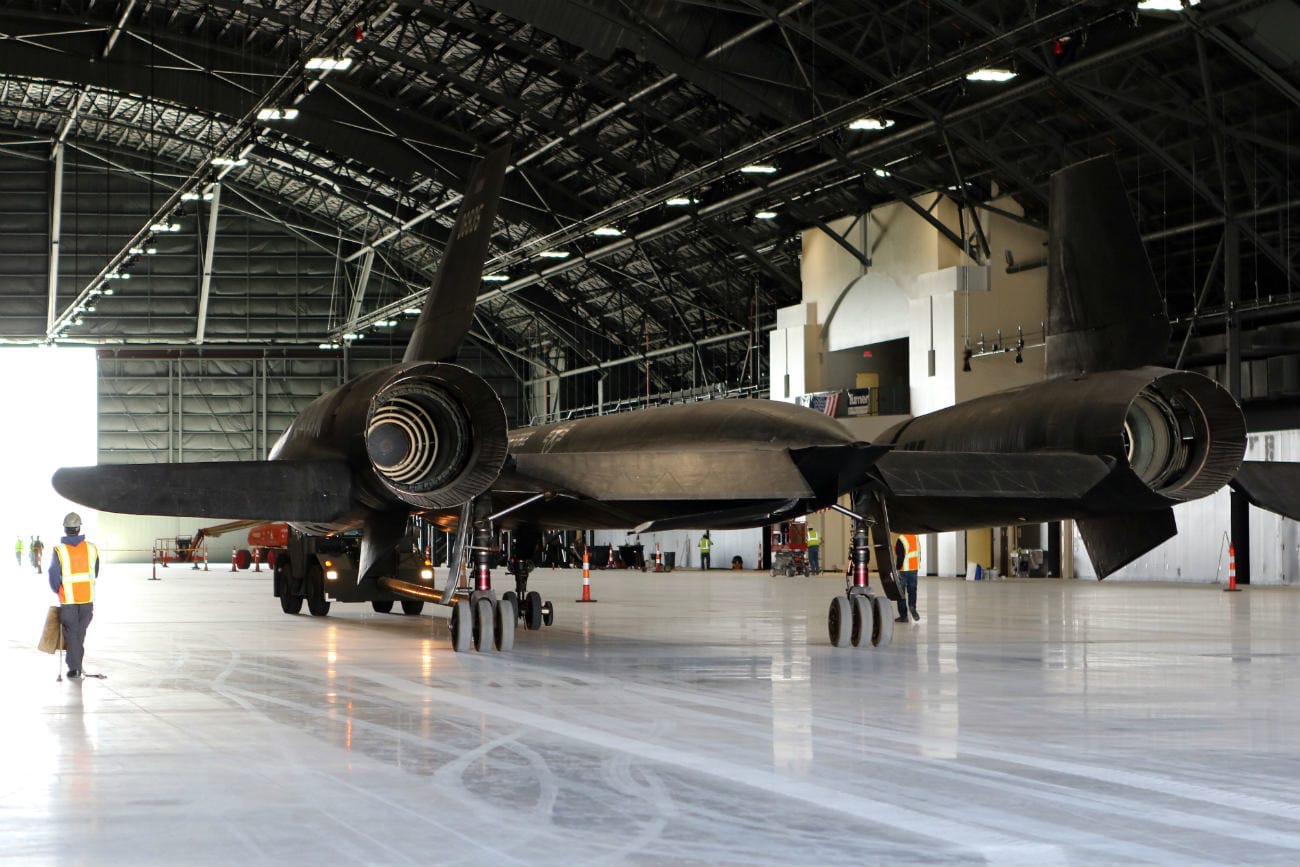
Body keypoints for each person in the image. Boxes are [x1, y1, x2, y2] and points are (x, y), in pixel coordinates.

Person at [48, 512, 100, 679]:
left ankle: (75, 668)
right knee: (79, 635)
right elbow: (95, 572)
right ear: (79, 529)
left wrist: (59, 590)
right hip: (87, 600)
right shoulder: (91, 548)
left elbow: (53, 575)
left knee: (72, 634)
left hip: (69, 601)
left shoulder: (59, 550)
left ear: (65, 529)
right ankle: (75, 667)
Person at [894, 532, 920, 624]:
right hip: (914, 568)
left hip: (904, 569)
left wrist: (897, 568)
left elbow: (900, 555)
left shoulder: (902, 538)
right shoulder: (915, 536)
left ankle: (903, 617)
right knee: (912, 590)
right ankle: (912, 606)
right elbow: (918, 552)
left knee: (901, 593)